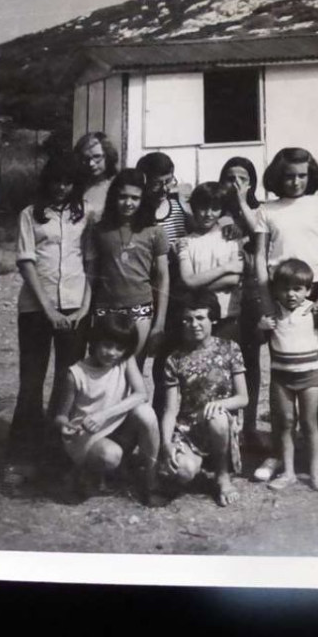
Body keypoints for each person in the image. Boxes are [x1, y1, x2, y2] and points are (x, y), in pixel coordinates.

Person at [255, 146, 318, 482]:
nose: (295, 181)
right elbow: (260, 260)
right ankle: (280, 453)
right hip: (279, 294)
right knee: (281, 375)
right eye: (289, 175)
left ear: (312, 175)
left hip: (315, 292)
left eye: (302, 175)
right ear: (278, 176)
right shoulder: (267, 210)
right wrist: (266, 304)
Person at [7, 153, 94, 477]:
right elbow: (26, 262)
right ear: (48, 181)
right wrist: (48, 309)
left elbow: (90, 262)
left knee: (66, 382)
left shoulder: (85, 214)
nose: (61, 187)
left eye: (68, 182)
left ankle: (57, 452)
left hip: (74, 308)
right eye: (56, 180)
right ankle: (21, 455)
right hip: (35, 309)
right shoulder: (30, 215)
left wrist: (84, 307)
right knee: (31, 382)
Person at [52, 312, 161, 502]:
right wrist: (65, 426)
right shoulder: (76, 373)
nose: (112, 353)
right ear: (95, 341)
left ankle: (151, 480)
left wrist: (104, 414)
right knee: (111, 455)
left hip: (115, 427)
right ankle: (87, 472)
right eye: (107, 345)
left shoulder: (124, 362)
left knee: (146, 413)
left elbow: (141, 394)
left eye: (119, 348)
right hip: (88, 437)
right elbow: (61, 415)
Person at [158, 291, 249, 507]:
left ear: (213, 319)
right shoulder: (175, 359)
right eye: (188, 319)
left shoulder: (230, 349)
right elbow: (170, 410)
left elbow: (243, 397)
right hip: (190, 428)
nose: (194, 325)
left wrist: (218, 405)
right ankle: (198, 465)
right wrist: (165, 443)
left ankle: (222, 476)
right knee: (183, 471)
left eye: (200, 318)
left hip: (222, 423)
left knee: (216, 418)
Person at [258, 258, 318, 491]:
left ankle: (315, 473)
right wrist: (260, 327)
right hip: (281, 378)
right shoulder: (273, 312)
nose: (291, 295)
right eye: (285, 289)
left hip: (310, 378)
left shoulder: (313, 311)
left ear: (308, 289)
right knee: (285, 423)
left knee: (309, 423)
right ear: (275, 289)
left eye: (297, 289)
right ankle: (289, 472)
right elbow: (260, 340)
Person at [87, 168, 169, 360]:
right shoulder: (100, 230)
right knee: (106, 370)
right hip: (106, 308)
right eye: (123, 197)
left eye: (135, 198)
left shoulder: (154, 231)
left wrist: (160, 322)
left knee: (133, 368)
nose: (128, 203)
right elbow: (91, 273)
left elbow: (163, 276)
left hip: (139, 308)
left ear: (143, 199)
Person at [219, 157, 267, 466]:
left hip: (251, 292)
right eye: (231, 177)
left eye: (243, 178)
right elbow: (228, 240)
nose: (236, 182)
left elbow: (256, 233)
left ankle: (249, 427)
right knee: (224, 361)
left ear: (252, 183)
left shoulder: (261, 211)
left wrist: (241, 201)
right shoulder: (216, 211)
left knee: (250, 362)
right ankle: (225, 429)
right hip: (223, 294)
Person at [175, 182, 244, 341]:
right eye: (203, 208)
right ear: (193, 208)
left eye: (215, 208)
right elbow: (188, 280)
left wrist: (197, 284)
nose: (208, 214)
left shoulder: (231, 237)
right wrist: (226, 267)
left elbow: (235, 278)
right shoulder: (186, 243)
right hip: (197, 319)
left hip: (228, 316)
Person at [136, 151, 188, 246]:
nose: (164, 189)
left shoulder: (180, 206)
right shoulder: (136, 210)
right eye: (156, 184)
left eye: (168, 181)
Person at [75, 132, 118, 221]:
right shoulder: (75, 186)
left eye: (97, 156)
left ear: (108, 155)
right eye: (85, 158)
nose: (91, 164)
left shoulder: (118, 184)